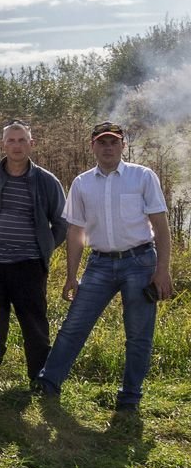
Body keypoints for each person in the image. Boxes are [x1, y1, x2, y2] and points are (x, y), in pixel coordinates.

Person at [37, 121, 173, 411]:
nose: (108, 147)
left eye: (113, 142)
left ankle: (130, 397)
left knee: (138, 334)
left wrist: (162, 270)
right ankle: (49, 383)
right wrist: (71, 276)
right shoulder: (82, 183)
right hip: (99, 264)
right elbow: (75, 232)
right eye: (102, 142)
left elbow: (161, 227)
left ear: (123, 145)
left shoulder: (142, 177)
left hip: (140, 262)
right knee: (74, 325)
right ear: (93, 147)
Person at [0, 120, 67, 385]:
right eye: (11, 140)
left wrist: (44, 250)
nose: (16, 146)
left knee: (35, 325)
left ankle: (39, 376)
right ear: (2, 144)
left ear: (31, 143)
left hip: (29, 265)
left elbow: (62, 222)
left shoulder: (46, 181)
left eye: (22, 140)